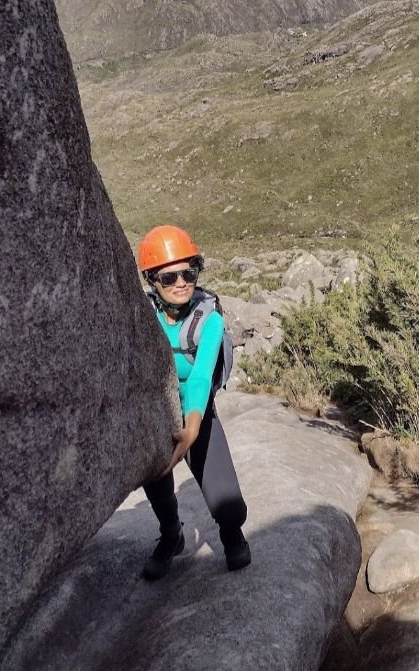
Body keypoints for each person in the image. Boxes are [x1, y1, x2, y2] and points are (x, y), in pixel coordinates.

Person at [137, 224, 251, 580]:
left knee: (229, 506)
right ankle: (172, 535)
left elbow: (201, 376)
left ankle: (231, 533)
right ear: (152, 280)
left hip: (196, 412)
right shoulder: (142, 317)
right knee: (156, 478)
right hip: (160, 411)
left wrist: (192, 428)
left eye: (189, 273)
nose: (182, 283)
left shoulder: (209, 319)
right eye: (169, 277)